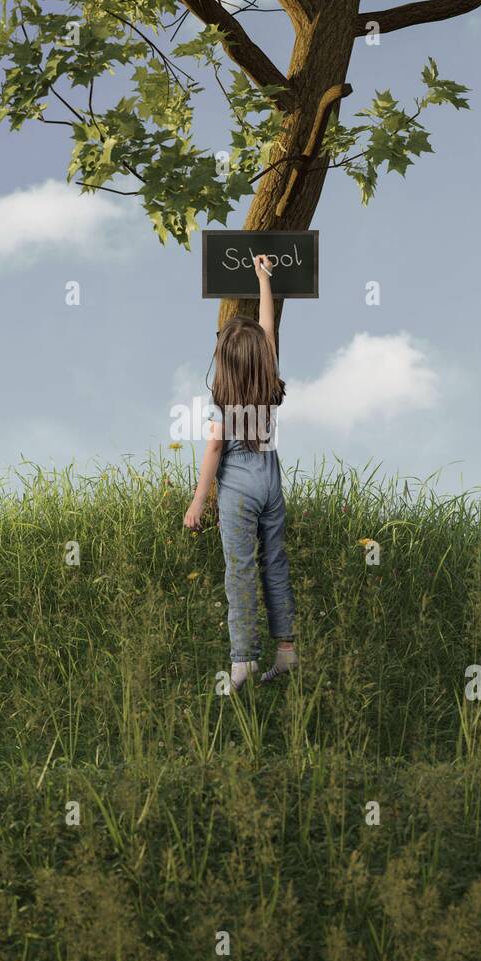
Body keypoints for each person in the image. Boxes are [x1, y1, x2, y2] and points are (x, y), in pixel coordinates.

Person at [184, 253, 297, 690]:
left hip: (238, 484)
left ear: (225, 362)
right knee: (274, 562)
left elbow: (215, 447)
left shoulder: (223, 399)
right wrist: (263, 279)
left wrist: (198, 500)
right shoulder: (269, 374)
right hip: (271, 477)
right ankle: (285, 651)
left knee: (240, 570)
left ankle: (242, 661)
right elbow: (269, 328)